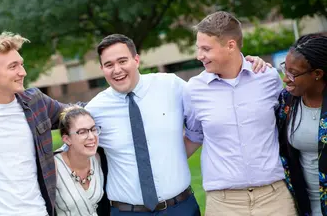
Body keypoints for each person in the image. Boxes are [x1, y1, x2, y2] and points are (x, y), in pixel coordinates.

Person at [84, 33, 268, 215]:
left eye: (122, 61)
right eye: (109, 65)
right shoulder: (94, 111)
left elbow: (214, 93)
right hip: (127, 211)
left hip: (181, 207)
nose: (117, 70)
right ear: (102, 69)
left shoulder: (171, 86)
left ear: (136, 60)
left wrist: (245, 65)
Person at [183, 11, 296, 215]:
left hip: (274, 198)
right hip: (223, 203)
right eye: (198, 48)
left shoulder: (268, 77)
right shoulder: (194, 90)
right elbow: (193, 136)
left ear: (231, 45)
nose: (199, 56)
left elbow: (287, 124)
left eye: (206, 49)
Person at [0, 32, 65, 216]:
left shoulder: (36, 102)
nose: (23, 72)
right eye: (13, 66)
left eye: (21, 64)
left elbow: (73, 115)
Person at [276, 34, 327, 216]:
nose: (286, 79)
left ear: (317, 74)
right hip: (306, 205)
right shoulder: (287, 102)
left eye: (293, 74)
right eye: (284, 69)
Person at [55, 106, 104, 215]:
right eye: (82, 132)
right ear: (67, 139)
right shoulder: (54, 166)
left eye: (93, 129)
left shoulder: (98, 158)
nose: (91, 136)